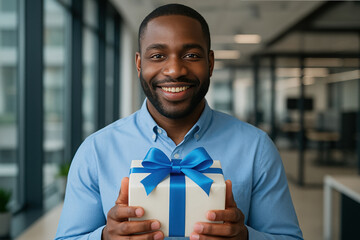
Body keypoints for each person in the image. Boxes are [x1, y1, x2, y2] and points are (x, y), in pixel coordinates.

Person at [55, 3, 303, 240]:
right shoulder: (96, 150)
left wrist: (247, 237)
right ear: (139, 64)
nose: (174, 70)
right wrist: (104, 237)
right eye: (158, 55)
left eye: (191, 55)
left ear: (210, 63)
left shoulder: (256, 147)